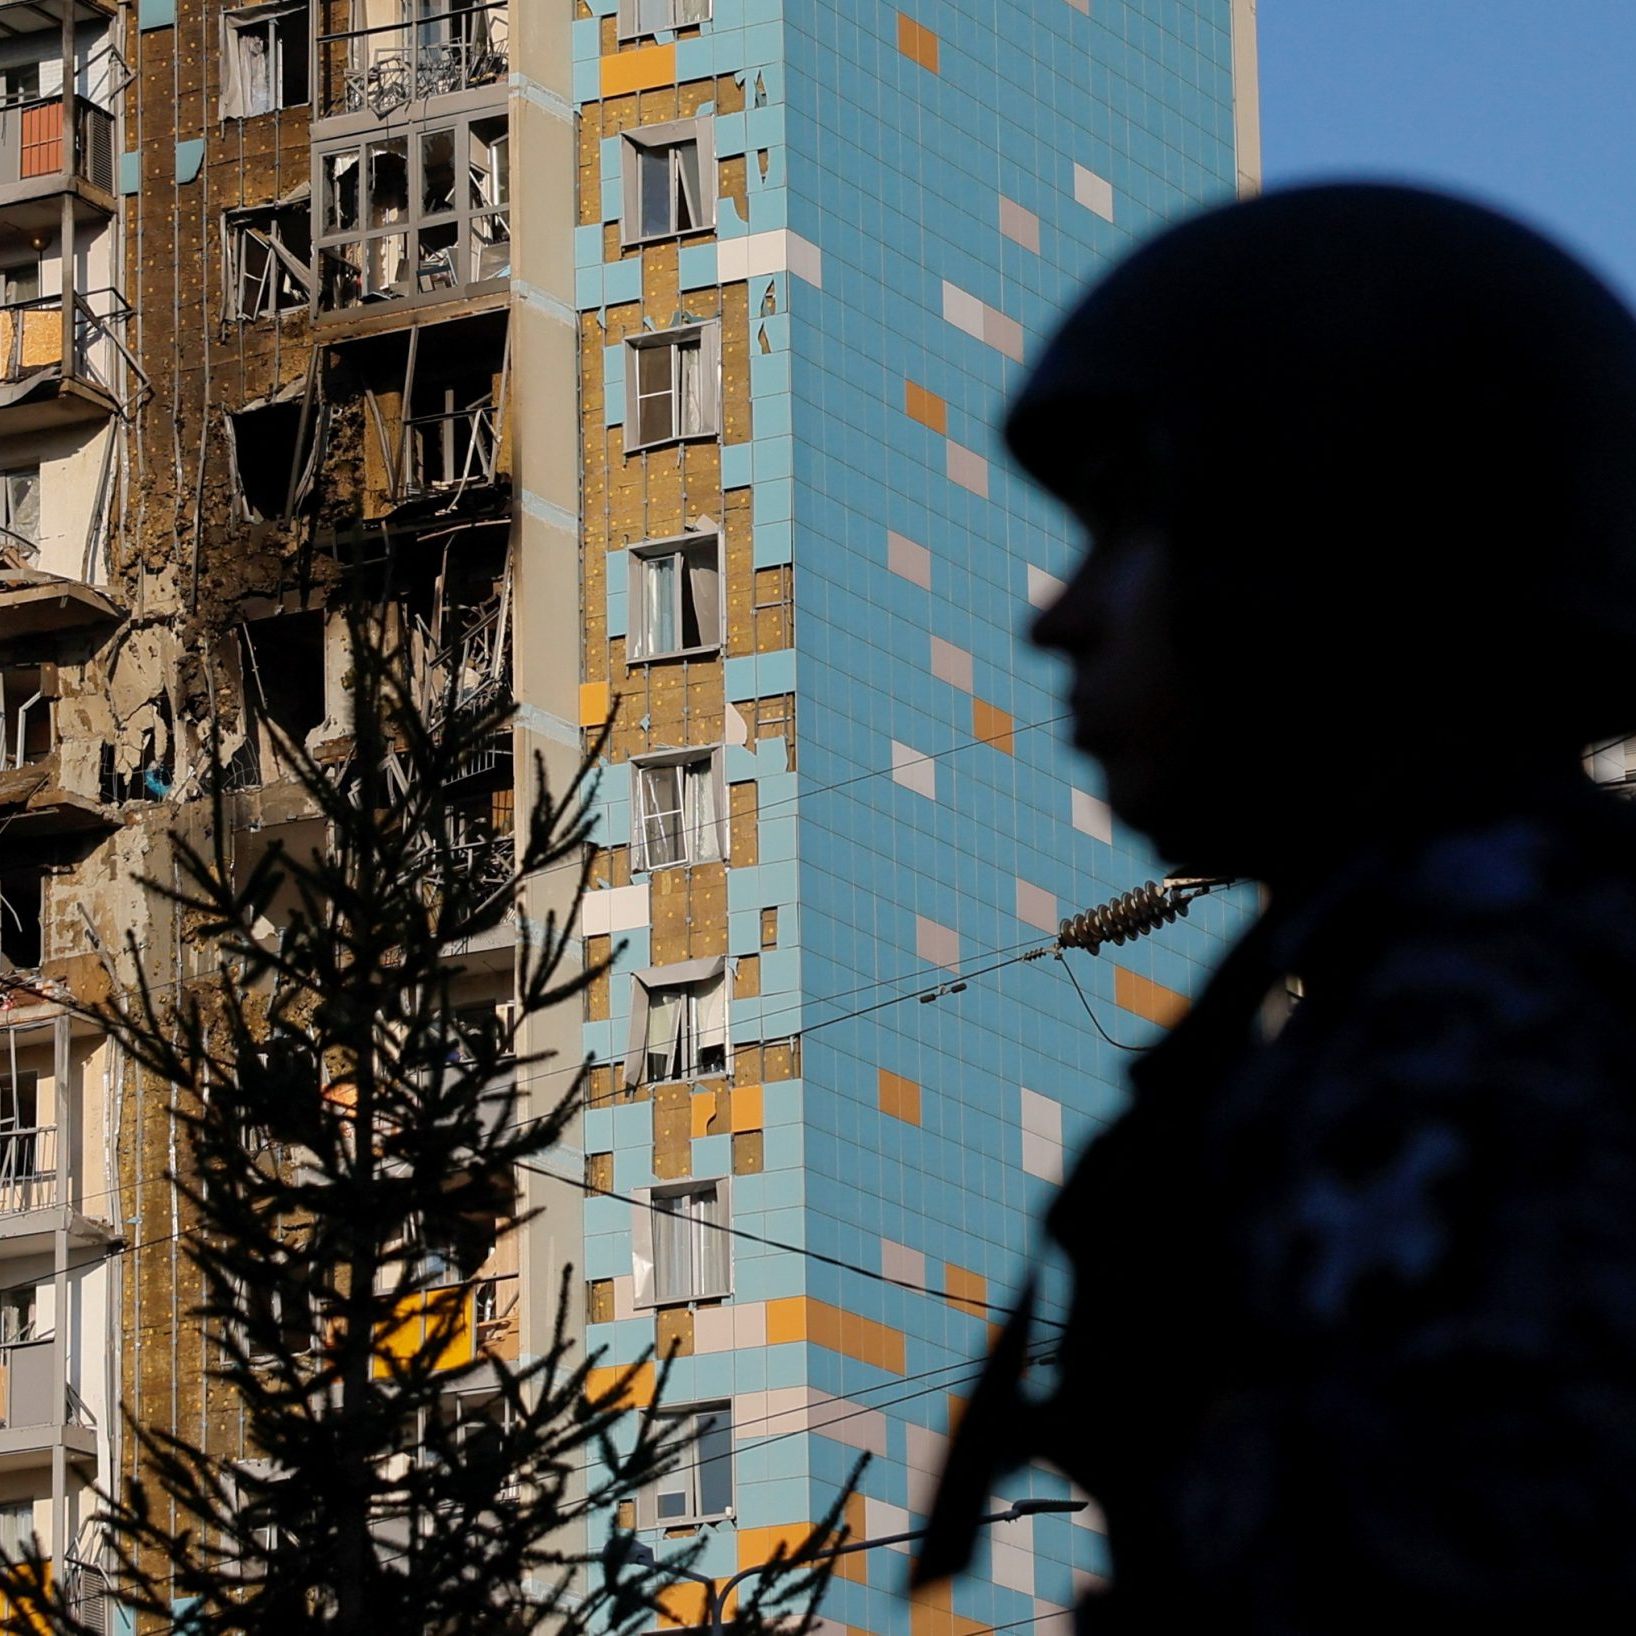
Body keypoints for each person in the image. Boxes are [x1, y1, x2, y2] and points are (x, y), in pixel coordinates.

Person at [915, 183, 1636, 1632]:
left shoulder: (1496, 1025)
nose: (1055, 618)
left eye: (1127, 529)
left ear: (1311, 552)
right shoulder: (1433, 977)